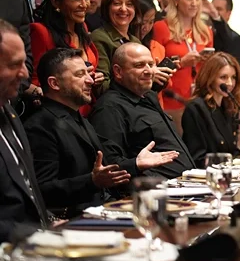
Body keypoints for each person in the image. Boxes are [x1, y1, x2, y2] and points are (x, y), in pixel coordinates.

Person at [25, 48, 179, 217]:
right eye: (79, 74)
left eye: (88, 73)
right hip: (75, 220)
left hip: (104, 210)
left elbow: (102, 171)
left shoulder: (78, 118)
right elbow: (42, 191)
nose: (90, 80)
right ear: (54, 83)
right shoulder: (40, 126)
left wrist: (135, 164)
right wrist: (91, 182)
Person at [89, 43, 194, 179]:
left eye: (151, 64)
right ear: (118, 71)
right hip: (152, 188)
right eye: (139, 65)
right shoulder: (109, 108)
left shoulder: (149, 97)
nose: (149, 71)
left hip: (185, 183)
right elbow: (109, 165)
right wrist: (136, 164)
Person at [0, 19, 51, 242]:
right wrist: (35, 234)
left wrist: (49, 225)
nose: (24, 73)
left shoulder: (9, 112)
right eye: (14, 65)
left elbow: (29, 190)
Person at [30, 0, 102, 117]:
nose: (84, 4)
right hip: (59, 118)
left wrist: (93, 79)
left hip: (89, 114)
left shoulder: (83, 28)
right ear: (56, 2)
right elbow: (35, 83)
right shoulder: (41, 32)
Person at [91, 0, 173, 93]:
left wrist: (155, 76)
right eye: (117, 3)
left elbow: (144, 90)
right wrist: (143, 76)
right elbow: (101, 87)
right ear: (107, 7)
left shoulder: (134, 40)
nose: (123, 9)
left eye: (129, 4)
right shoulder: (100, 37)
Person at [151, 0, 214, 116]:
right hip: (170, 101)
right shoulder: (161, 27)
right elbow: (155, 68)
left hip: (198, 102)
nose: (194, 3)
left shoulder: (206, 32)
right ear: (176, 0)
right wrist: (181, 63)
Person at [182, 52, 240, 167]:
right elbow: (198, 158)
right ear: (210, 78)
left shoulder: (229, 107)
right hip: (206, 174)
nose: (230, 83)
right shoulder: (196, 108)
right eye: (223, 77)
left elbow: (233, 151)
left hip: (228, 172)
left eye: (233, 77)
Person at [211, 0, 240, 91]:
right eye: (212, 8)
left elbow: (236, 73)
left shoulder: (235, 40)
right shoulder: (205, 35)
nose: (213, 12)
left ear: (228, 14)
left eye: (219, 9)